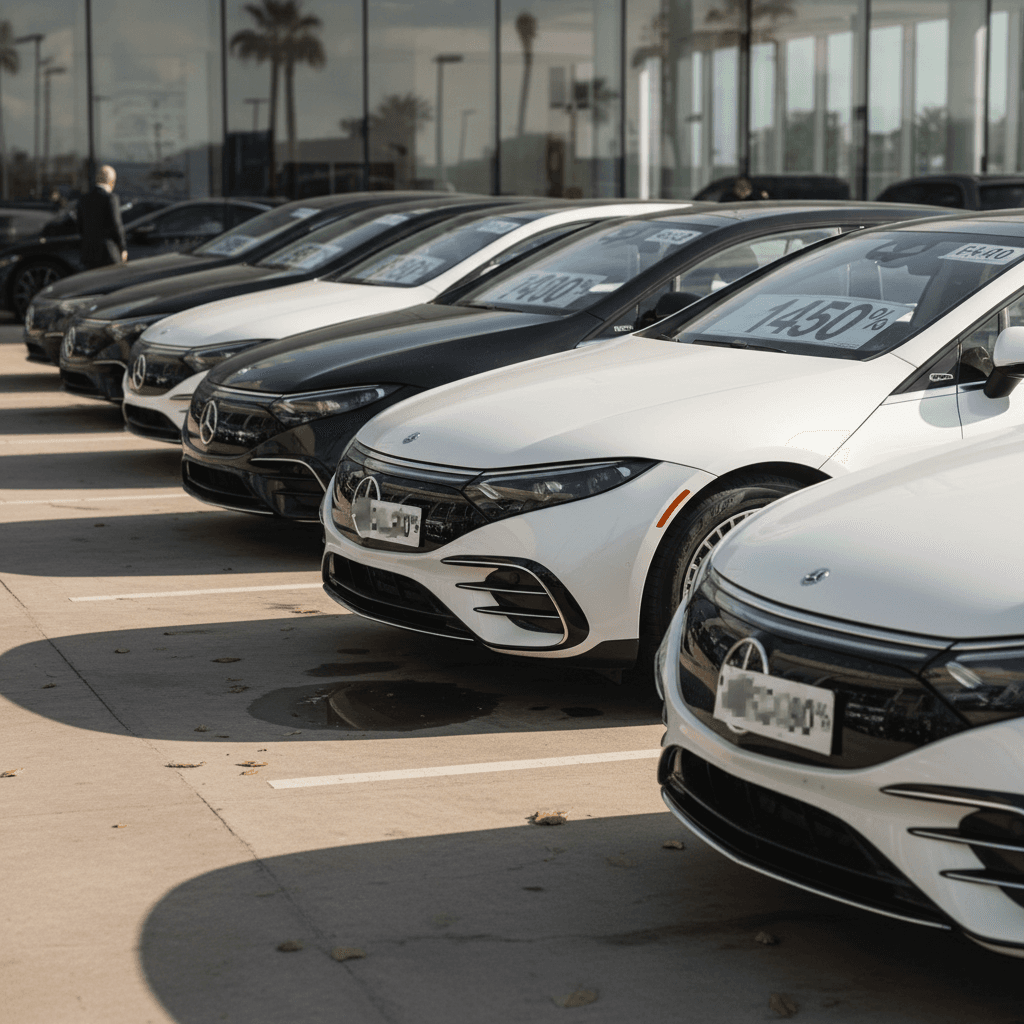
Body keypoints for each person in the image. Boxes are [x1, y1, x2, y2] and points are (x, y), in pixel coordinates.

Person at [78, 164, 127, 269]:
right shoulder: (111, 198)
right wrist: (122, 248)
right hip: (108, 253)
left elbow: (80, 226)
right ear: (111, 182)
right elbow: (116, 225)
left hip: (88, 254)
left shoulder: (84, 199)